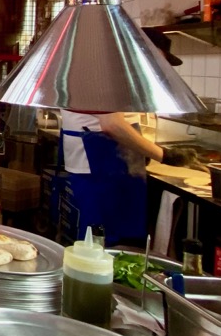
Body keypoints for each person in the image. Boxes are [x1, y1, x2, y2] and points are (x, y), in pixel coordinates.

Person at [58, 29, 191, 245]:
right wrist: (163, 155)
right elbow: (112, 125)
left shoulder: (111, 72)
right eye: (158, 61)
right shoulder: (106, 74)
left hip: (107, 168)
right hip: (98, 169)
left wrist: (138, 150)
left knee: (110, 239)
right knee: (100, 242)